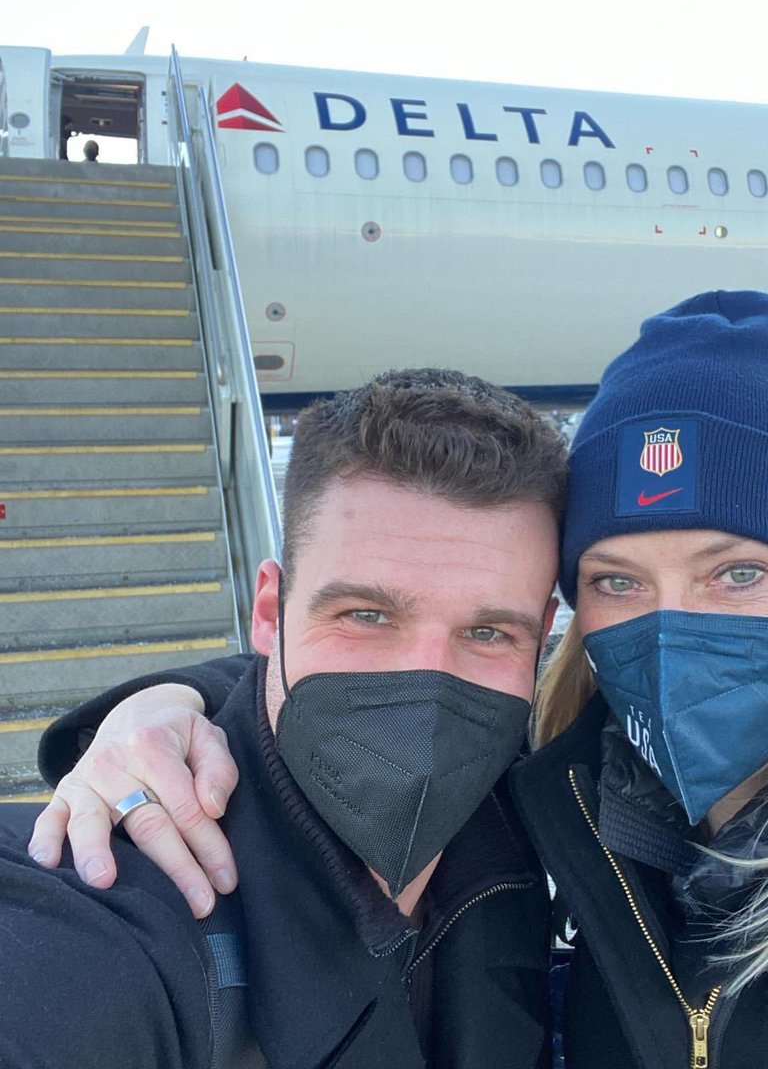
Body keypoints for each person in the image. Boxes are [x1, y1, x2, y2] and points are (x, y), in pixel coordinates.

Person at [30, 292, 768, 1066]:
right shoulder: (555, 785)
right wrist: (169, 705)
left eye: (738, 572)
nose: (672, 627)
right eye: (618, 581)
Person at [0, 367, 566, 1069]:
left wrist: (175, 694)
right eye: (366, 615)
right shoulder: (99, 919)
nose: (426, 683)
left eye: (487, 633)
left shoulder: (536, 807)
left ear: (541, 639)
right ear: (269, 613)